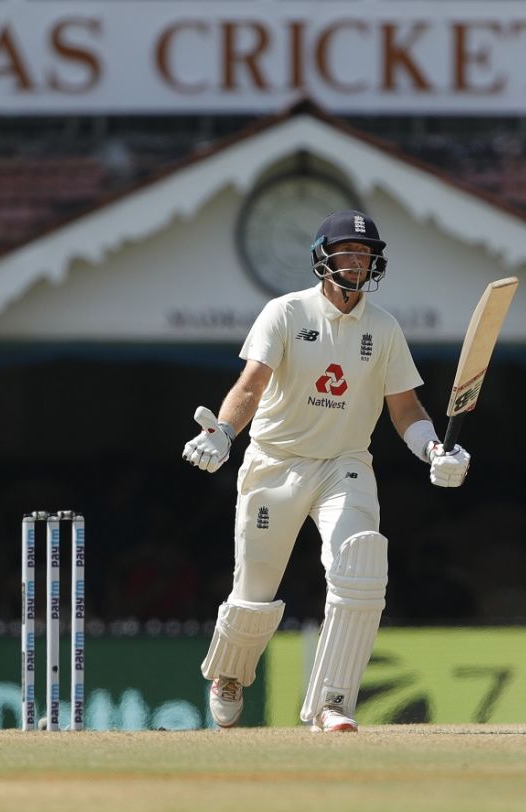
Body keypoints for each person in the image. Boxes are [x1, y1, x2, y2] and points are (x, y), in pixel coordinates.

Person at [181, 210, 471, 732]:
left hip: (345, 465)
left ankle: (333, 701)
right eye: (347, 252)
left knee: (360, 567)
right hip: (277, 461)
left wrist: (434, 451)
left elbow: (406, 409)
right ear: (323, 258)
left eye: (365, 254)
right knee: (254, 590)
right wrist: (222, 434)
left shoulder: (383, 329)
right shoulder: (285, 313)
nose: (358, 262)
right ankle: (228, 673)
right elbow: (251, 384)